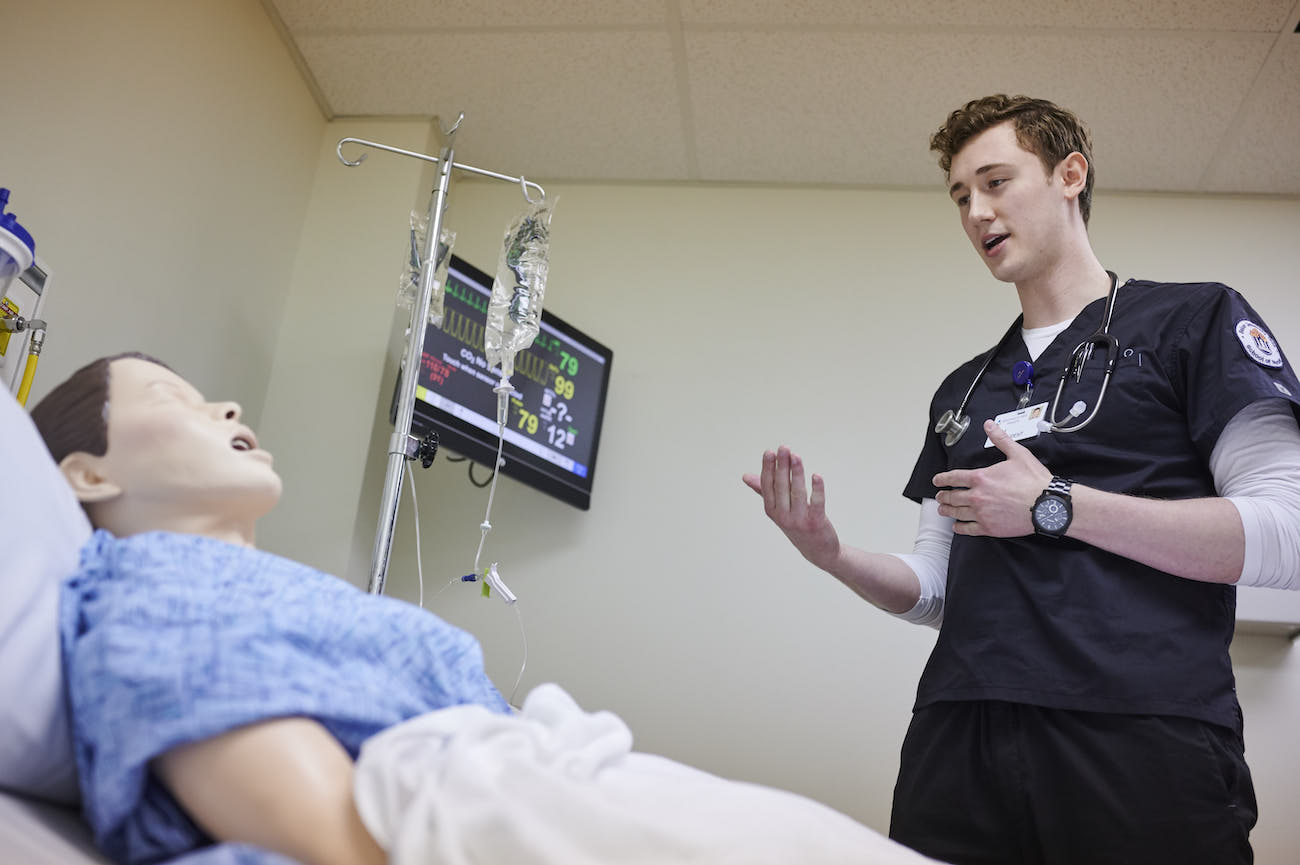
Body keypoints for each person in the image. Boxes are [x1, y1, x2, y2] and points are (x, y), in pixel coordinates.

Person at [31, 352, 945, 865]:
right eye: (173, 399)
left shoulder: (260, 588)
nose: (224, 400)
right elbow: (321, 834)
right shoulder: (149, 592)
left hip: (539, 785)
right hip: (470, 806)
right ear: (89, 475)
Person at [744, 94, 1300, 864]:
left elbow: (1287, 536)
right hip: (960, 735)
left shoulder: (1195, 323)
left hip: (1140, 730)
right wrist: (832, 557)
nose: (976, 211)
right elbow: (938, 586)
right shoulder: (964, 390)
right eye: (961, 196)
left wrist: (1057, 506)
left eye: (997, 181)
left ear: (1070, 174)